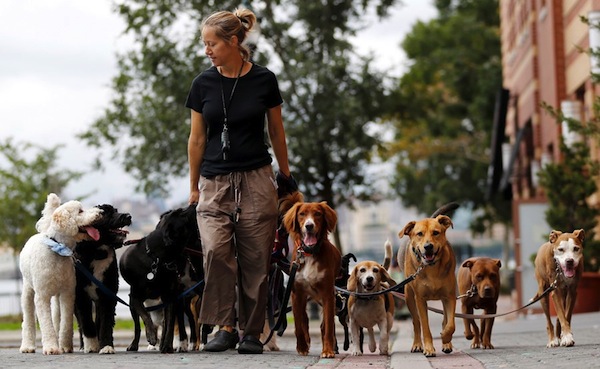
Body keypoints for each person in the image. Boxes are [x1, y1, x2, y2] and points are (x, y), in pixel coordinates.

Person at [185, 8, 297, 354]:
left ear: (233, 42)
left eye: (212, 43)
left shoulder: (264, 80)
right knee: (217, 251)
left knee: (255, 257)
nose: (207, 50)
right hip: (214, 182)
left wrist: (287, 178)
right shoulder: (202, 84)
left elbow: (276, 131)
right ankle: (225, 325)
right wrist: (193, 186)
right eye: (205, 44)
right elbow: (197, 139)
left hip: (257, 178)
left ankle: (251, 332)